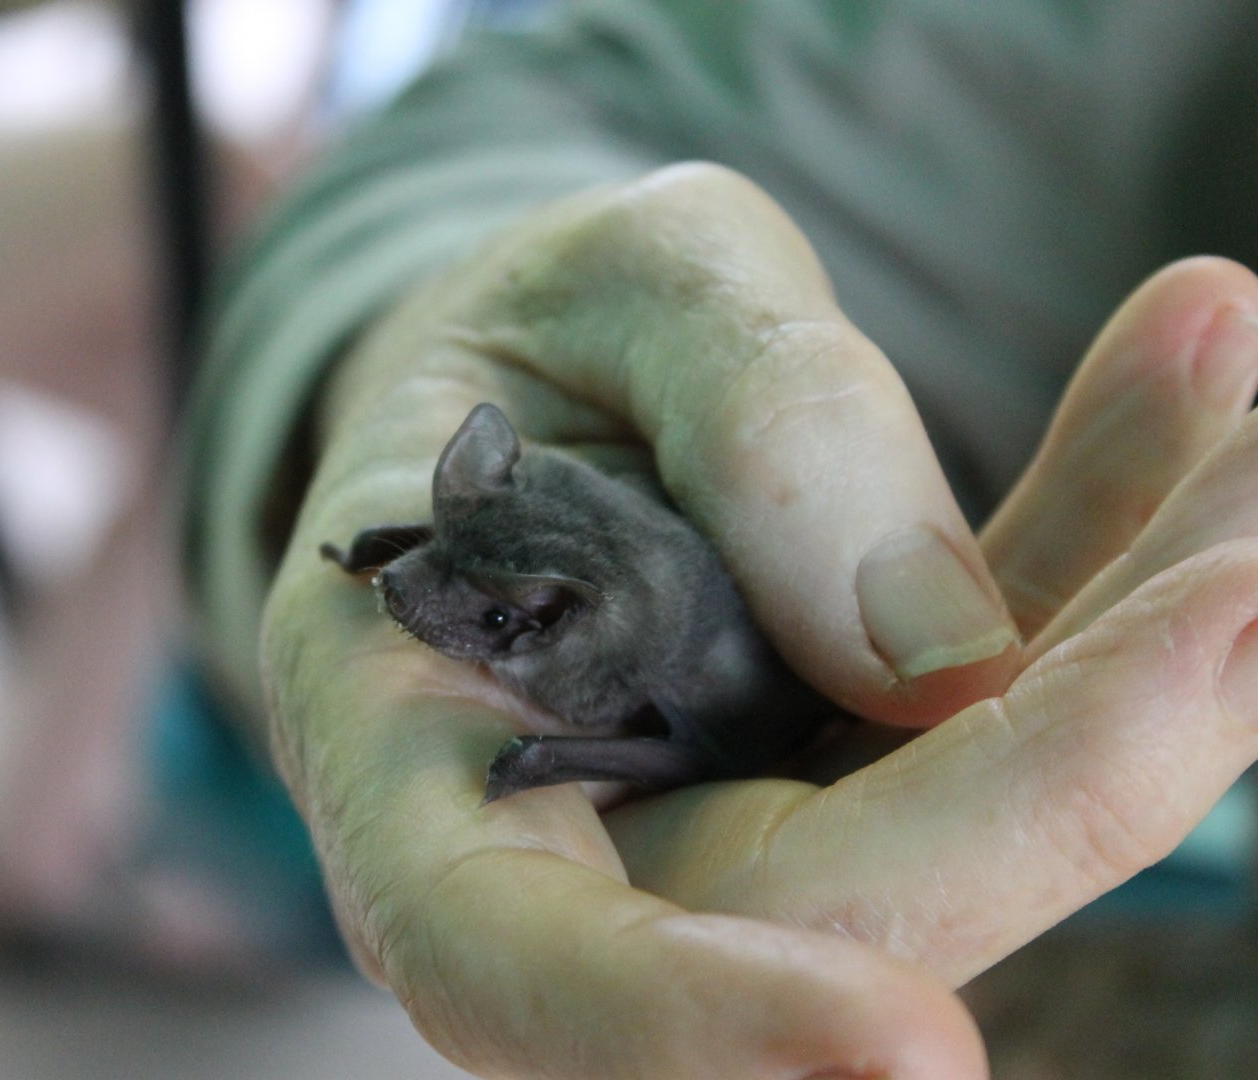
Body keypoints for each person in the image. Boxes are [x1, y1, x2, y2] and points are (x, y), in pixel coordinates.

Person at [181, 1, 1258, 1075]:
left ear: (547, 618)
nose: (423, 589)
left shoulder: (612, 641)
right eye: (434, 547)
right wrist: (413, 335)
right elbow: (582, 97)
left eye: (493, 616)